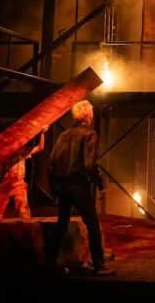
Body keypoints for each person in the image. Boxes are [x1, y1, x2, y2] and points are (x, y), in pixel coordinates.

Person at [47, 100, 114, 276]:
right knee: (93, 225)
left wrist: (55, 188)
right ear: (87, 115)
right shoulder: (89, 135)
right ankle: (99, 266)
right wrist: (100, 184)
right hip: (78, 186)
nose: (92, 114)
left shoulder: (63, 135)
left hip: (62, 187)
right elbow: (89, 164)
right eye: (91, 112)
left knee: (61, 225)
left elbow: (52, 163)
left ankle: (49, 263)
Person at [0, 131, 45, 221]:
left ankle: (28, 230)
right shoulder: (2, 153)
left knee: (24, 211)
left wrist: (42, 134)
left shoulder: (22, 152)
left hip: (18, 184)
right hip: (4, 185)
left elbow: (40, 148)